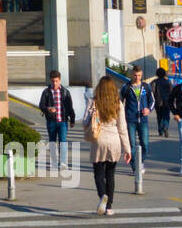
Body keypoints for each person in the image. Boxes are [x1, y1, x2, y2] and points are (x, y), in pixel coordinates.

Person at [85, 76, 131, 215]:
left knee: (98, 174)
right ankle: (109, 206)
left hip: (98, 140)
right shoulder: (118, 104)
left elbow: (85, 121)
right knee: (110, 175)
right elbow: (122, 128)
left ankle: (102, 197)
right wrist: (127, 150)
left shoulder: (94, 102)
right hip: (114, 141)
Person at [37, 69, 74, 171]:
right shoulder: (46, 92)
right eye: (53, 81)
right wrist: (48, 108)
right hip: (51, 121)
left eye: (56, 81)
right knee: (52, 142)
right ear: (50, 80)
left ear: (60, 80)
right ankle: (54, 162)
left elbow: (70, 107)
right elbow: (41, 105)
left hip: (63, 121)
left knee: (63, 141)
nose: (55, 83)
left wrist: (73, 119)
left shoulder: (66, 92)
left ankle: (62, 162)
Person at [120, 66, 153, 176]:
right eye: (135, 75)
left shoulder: (146, 87)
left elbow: (152, 101)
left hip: (143, 120)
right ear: (131, 74)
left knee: (145, 144)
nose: (137, 77)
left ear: (141, 75)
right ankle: (135, 167)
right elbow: (119, 103)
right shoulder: (126, 87)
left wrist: (148, 109)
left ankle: (141, 162)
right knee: (132, 145)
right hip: (130, 120)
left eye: (139, 75)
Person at [152, 67, 175, 138]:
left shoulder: (154, 82)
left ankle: (160, 130)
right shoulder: (168, 82)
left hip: (157, 101)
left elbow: (151, 91)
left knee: (159, 116)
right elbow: (172, 91)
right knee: (166, 116)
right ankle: (165, 126)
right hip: (167, 101)